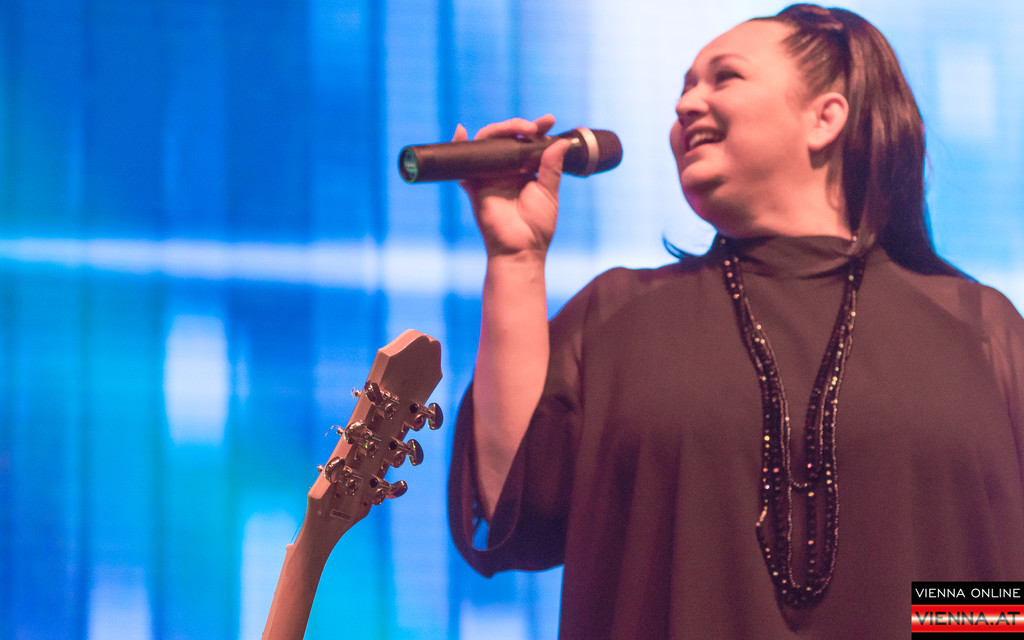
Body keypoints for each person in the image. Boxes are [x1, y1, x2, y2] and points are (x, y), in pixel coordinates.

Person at [447, 3, 1024, 639]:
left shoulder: (976, 330)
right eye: (684, 89)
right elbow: (514, 508)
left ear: (825, 117)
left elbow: (992, 578)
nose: (685, 105)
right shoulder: (619, 317)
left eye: (725, 78)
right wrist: (516, 260)